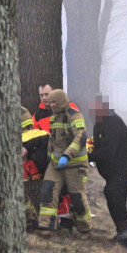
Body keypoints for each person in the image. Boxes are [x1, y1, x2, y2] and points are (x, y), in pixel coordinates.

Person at [88, 95, 127, 247]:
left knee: (112, 190)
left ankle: (126, 229)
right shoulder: (99, 123)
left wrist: (87, 157)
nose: (93, 113)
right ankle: (124, 235)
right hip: (117, 167)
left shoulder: (113, 123)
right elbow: (98, 146)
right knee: (116, 194)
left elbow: (107, 151)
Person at [37, 89, 92, 235]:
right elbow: (52, 140)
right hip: (56, 165)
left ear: (61, 101)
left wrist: (67, 155)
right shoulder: (54, 118)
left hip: (75, 165)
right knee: (47, 192)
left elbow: (80, 137)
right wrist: (48, 159)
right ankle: (46, 227)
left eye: (54, 101)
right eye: (50, 102)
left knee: (77, 198)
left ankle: (85, 229)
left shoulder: (75, 116)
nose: (51, 104)